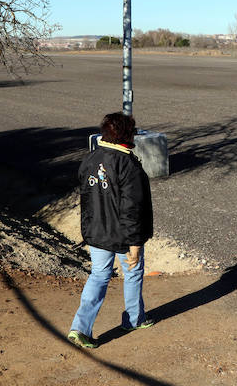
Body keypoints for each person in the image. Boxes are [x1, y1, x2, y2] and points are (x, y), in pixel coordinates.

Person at [68, 112, 154, 348]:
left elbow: (87, 197)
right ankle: (134, 319)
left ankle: (80, 328)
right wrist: (135, 243)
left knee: (98, 276)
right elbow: (132, 209)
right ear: (127, 134)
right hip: (124, 235)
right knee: (133, 273)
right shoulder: (128, 165)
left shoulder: (90, 159)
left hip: (96, 233)